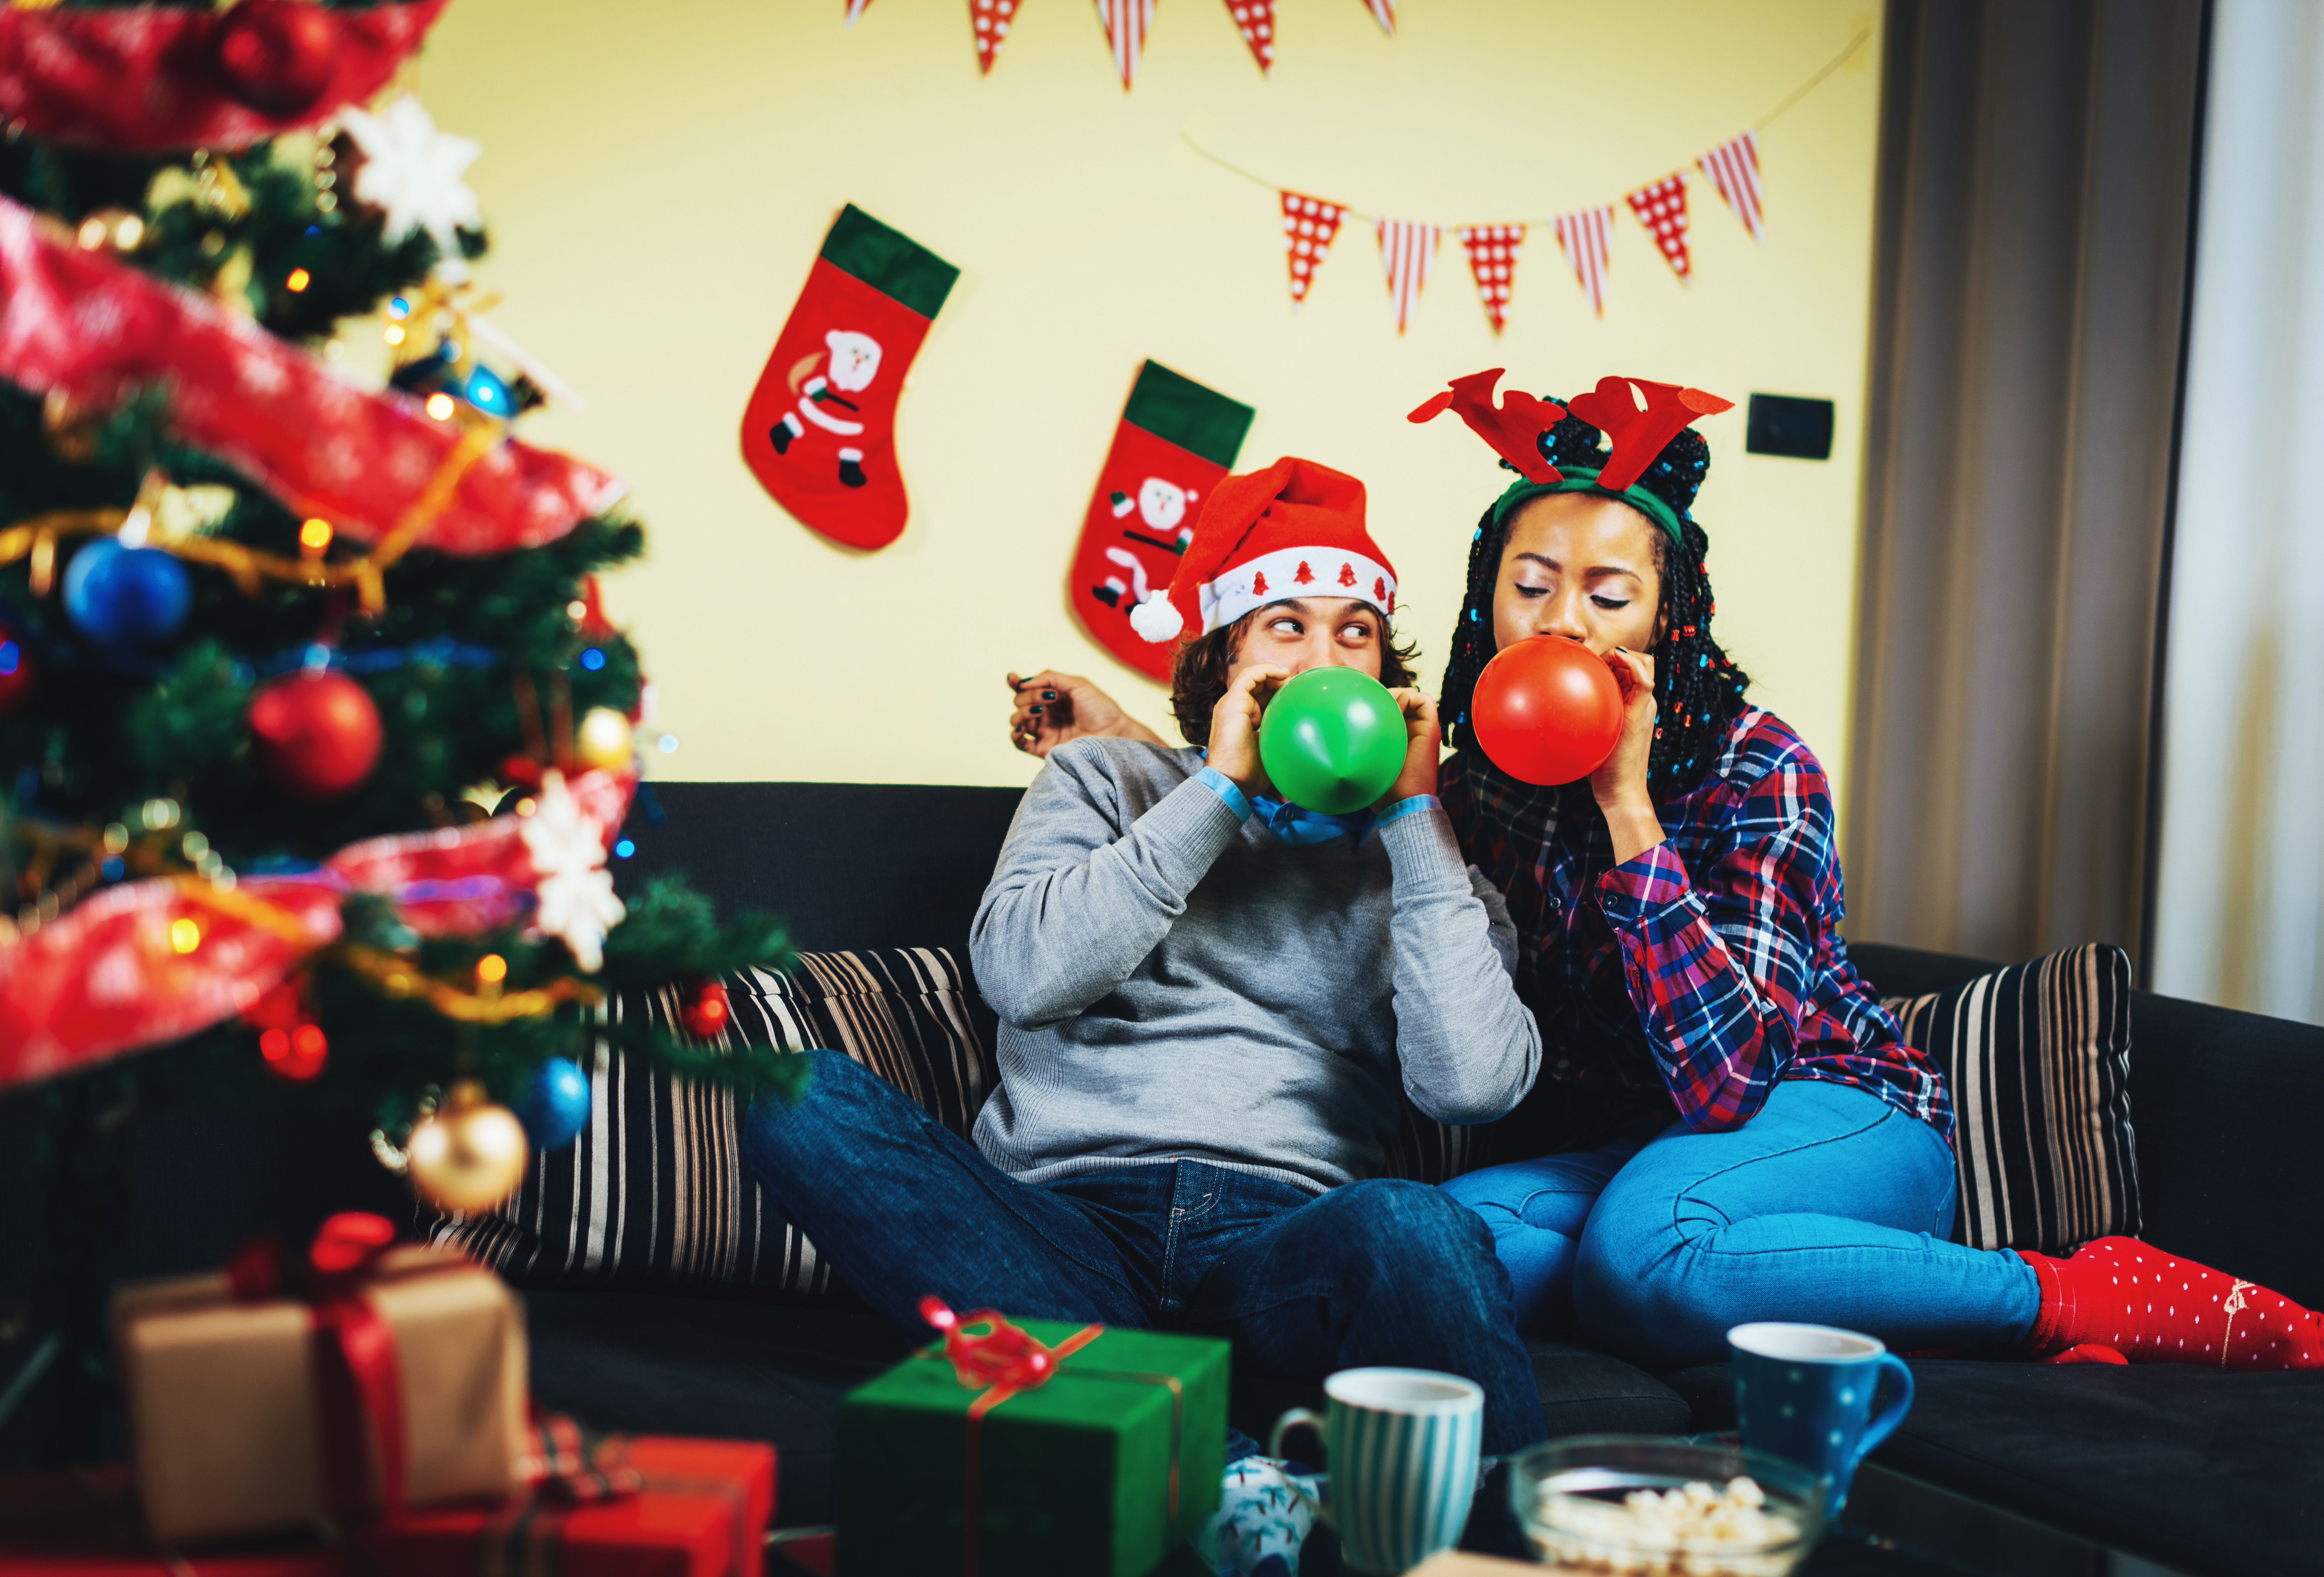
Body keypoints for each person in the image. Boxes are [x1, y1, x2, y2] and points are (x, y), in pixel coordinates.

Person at [1005, 372, 2324, 1377]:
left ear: (1666, 619)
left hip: (1819, 1116)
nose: (1562, 624)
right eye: (1528, 588)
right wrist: (1143, 737)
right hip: (1620, 1155)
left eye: (1605, 594)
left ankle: (2071, 1295)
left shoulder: (1756, 766)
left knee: (1651, 1252)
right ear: (1484, 615)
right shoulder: (1459, 788)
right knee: (1424, 1245)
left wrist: (1627, 804)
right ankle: (1770, 1287)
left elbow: (1727, 1080)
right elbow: (1308, 774)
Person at [745, 456, 1552, 1453]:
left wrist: (1420, 818)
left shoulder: (1427, 868)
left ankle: (1511, 1549)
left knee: (1417, 1227)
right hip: (1058, 1234)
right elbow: (1023, 978)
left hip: (1278, 1251)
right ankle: (1203, 1463)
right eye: (1287, 625)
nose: (1328, 655)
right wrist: (1217, 792)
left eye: (1358, 631)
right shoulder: (1104, 777)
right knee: (793, 1092)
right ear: (1227, 663)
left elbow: (1472, 1086)